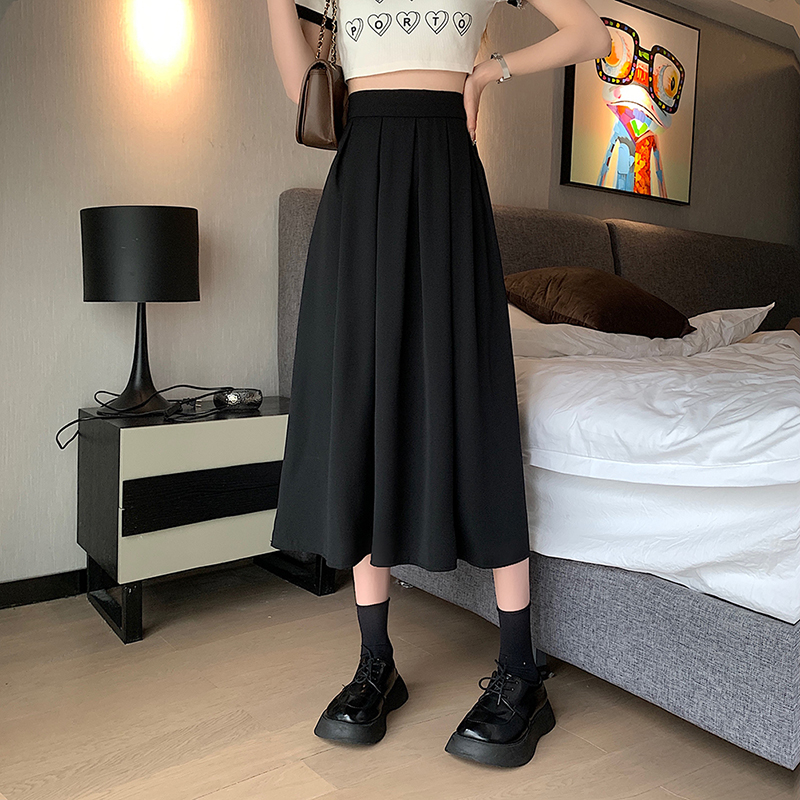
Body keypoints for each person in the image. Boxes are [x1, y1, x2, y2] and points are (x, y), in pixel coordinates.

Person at [267, 0, 611, 768]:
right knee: (360, 406)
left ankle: (521, 671)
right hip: (359, 188)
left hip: (446, 185)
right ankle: (375, 663)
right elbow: (305, 91)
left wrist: (489, 73)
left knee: (475, 401)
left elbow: (591, 32)